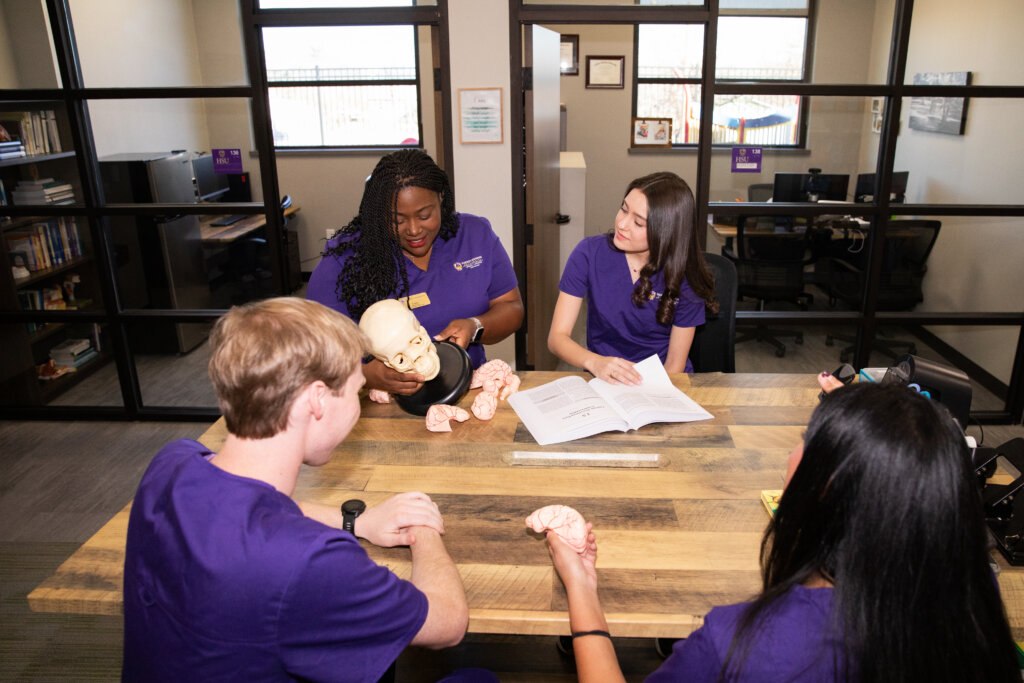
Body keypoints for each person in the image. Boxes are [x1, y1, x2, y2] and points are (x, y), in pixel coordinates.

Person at [543, 378, 1019, 682]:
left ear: (826, 487)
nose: (792, 453)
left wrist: (582, 587)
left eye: (805, 440)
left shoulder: (741, 642)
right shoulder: (976, 604)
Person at [122, 298, 470, 682]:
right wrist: (422, 526)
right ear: (317, 400)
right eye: (355, 390)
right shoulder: (313, 560)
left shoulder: (171, 464)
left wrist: (358, 522)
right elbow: (448, 623)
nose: (356, 409)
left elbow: (253, 505)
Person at [307, 149, 524, 396]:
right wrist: (365, 375)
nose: (413, 230)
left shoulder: (474, 235)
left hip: (468, 390)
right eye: (397, 220)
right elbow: (314, 349)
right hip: (380, 403)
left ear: (441, 199)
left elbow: (511, 307)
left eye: (424, 215)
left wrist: (475, 326)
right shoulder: (345, 260)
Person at [548, 172, 717, 385]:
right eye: (623, 209)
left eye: (638, 222)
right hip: (603, 378)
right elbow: (557, 338)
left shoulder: (684, 275)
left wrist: (646, 393)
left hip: (662, 381)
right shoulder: (589, 253)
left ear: (666, 232)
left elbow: (674, 365)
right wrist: (595, 362)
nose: (622, 224)